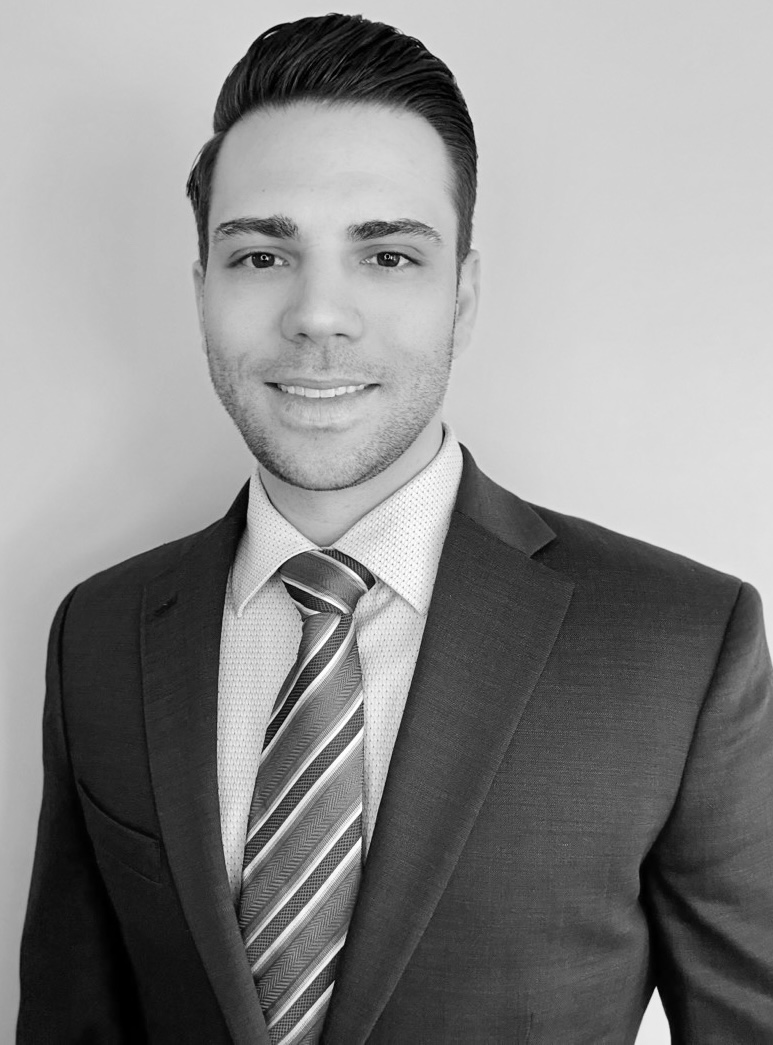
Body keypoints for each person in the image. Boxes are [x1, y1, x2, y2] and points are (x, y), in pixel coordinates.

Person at [18, 13, 773, 1044]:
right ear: (200, 292)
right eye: (259, 255)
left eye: (386, 255)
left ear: (462, 294)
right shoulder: (99, 633)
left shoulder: (678, 641)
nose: (318, 314)